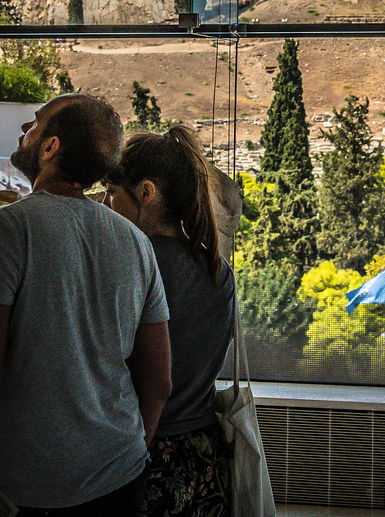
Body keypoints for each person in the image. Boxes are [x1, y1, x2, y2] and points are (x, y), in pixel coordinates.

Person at [0, 94, 170, 517]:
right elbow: (158, 380)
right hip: (120, 476)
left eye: (34, 124)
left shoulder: (5, 229)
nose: (25, 130)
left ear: (51, 147)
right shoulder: (135, 242)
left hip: (30, 488)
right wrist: (128, 456)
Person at [105, 127, 235, 517]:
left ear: (146, 193)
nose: (105, 203)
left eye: (112, 191)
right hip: (205, 460)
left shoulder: (130, 268)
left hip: (142, 457)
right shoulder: (217, 268)